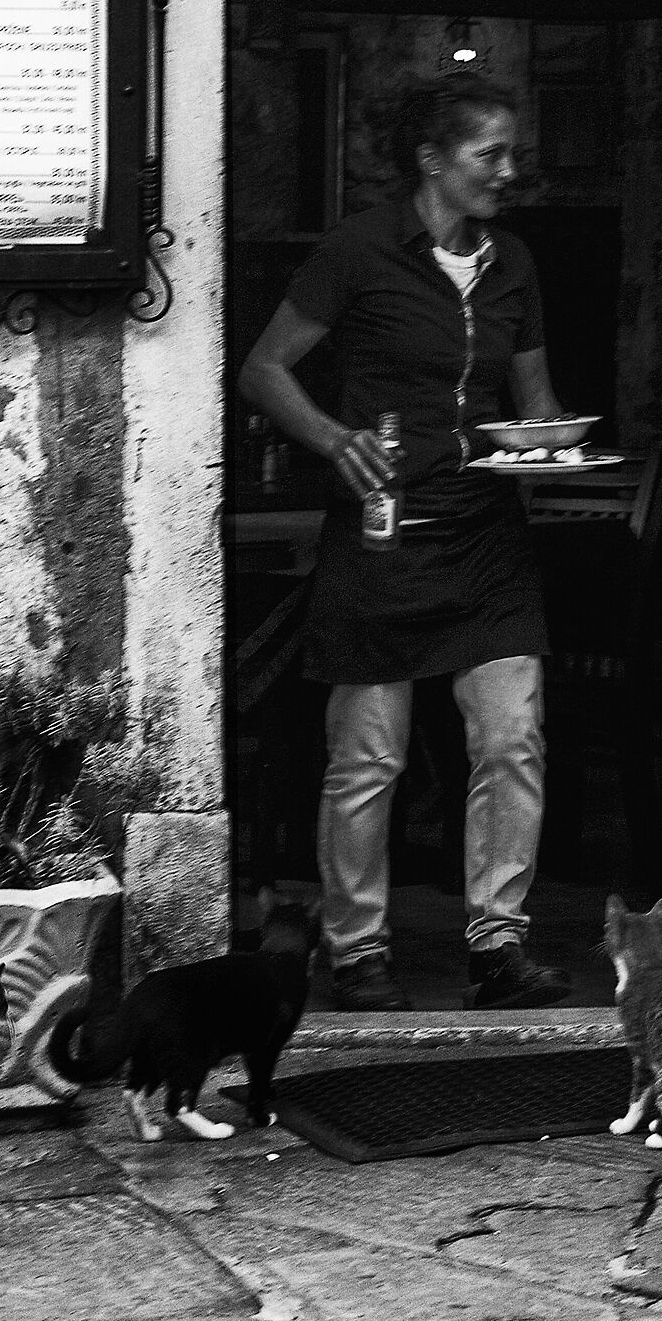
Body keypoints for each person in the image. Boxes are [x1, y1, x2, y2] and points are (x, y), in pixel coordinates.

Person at [238, 73, 573, 1012]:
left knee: (511, 739)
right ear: (434, 160)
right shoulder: (358, 253)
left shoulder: (514, 265)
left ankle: (498, 943)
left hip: (486, 535)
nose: (509, 172)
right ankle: (357, 947)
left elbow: (534, 403)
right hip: (383, 534)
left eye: (513, 154)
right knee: (369, 757)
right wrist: (331, 439)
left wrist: (552, 443)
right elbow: (264, 370)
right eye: (490, 155)